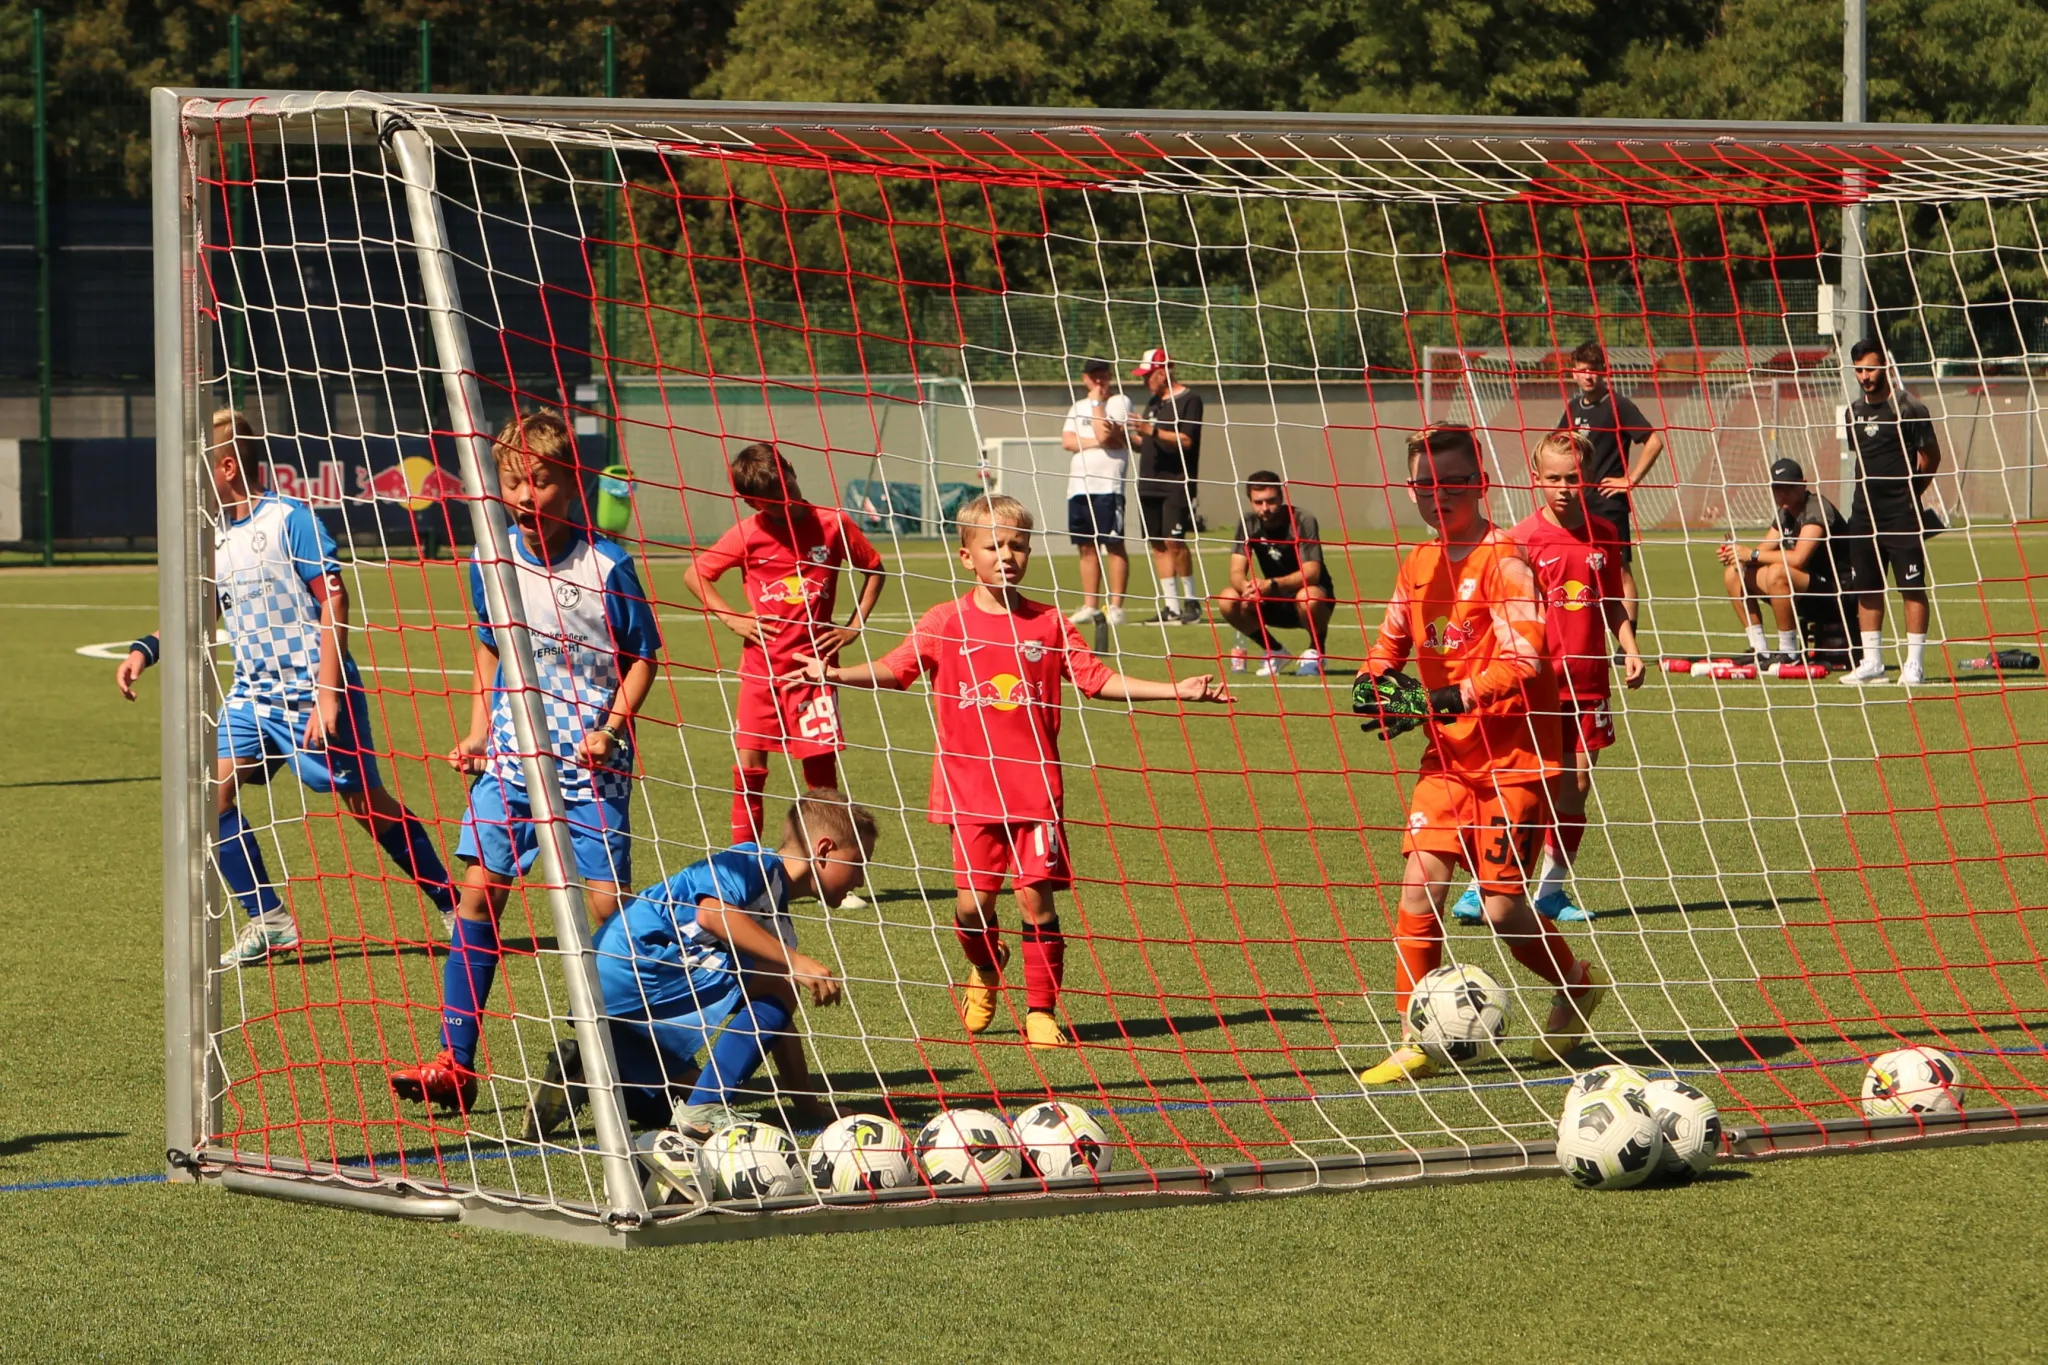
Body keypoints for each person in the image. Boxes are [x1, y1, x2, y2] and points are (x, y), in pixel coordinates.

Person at [785, 494, 1231, 1049]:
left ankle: (1041, 1011)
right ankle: (986, 966)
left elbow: (1096, 680)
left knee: (1035, 901)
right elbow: (895, 669)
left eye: (1017, 545)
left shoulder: (1048, 622)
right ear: (966, 556)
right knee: (973, 908)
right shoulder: (945, 621)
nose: (1006, 556)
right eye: (993, 546)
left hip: (1036, 792)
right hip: (969, 791)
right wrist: (834, 674)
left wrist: (1176, 689)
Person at [392, 410, 661, 1113]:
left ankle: (619, 1055)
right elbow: (489, 644)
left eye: (539, 481)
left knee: (606, 911)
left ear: (570, 484)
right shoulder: (492, 558)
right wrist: (478, 731)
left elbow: (643, 656)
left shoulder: (607, 565)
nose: (524, 496)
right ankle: (455, 1061)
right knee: (478, 895)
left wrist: (611, 729)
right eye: (513, 482)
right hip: (512, 761)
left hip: (590, 768)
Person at [115, 409, 453, 966]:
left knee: (366, 806)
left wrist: (327, 695)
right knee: (206, 795)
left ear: (227, 467)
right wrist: (145, 649)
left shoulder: (289, 519)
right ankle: (269, 918)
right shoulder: (214, 539)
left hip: (312, 694)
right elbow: (198, 614)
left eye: (198, 467)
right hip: (253, 697)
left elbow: (334, 600)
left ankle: (452, 904)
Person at [1350, 424, 1604, 1086]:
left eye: (1454, 482)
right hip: (1447, 760)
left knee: (1500, 908)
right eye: (1426, 484)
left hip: (1514, 760)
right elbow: (1389, 644)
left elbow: (1525, 659)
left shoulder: (1505, 558)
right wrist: (1372, 681)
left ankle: (1575, 982)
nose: (1440, 495)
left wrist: (1443, 697)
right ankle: (1413, 1036)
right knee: (1420, 885)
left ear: (1481, 483)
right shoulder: (1417, 563)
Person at [525, 788, 874, 1144]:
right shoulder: (752, 862)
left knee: (676, 1101)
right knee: (777, 985)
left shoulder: (777, 925)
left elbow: (779, 1023)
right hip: (635, 962)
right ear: (824, 850)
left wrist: (808, 1105)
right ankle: (705, 1106)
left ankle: (585, 1067)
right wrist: (794, 962)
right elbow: (712, 914)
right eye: (858, 863)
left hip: (618, 998)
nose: (860, 880)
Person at [1451, 430, 1643, 926]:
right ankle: (1481, 885)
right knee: (1526, 786)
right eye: (1553, 478)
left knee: (1576, 785)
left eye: (1573, 478)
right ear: (1537, 479)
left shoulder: (1605, 532)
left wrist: (1630, 648)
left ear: (1589, 478)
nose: (1563, 488)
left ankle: (1551, 892)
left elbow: (1612, 601)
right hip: (1534, 684)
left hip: (1589, 683)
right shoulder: (1521, 539)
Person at [681, 442, 886, 872]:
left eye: (787, 492)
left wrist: (854, 626)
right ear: (752, 503)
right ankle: (744, 868)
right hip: (761, 672)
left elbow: (874, 569)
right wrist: (732, 618)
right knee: (750, 772)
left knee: (821, 778)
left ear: (791, 470)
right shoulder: (747, 533)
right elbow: (696, 573)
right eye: (772, 504)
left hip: (815, 674)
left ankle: (830, 870)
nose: (785, 505)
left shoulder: (833, 524)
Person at [1837, 338, 1943, 685]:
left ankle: (1914, 664)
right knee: (1867, 587)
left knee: (1911, 586)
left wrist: (1910, 493)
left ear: (1884, 366)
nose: (1865, 377)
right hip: (1863, 514)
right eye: (1859, 371)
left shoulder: (1910, 408)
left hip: (1901, 514)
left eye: (1870, 368)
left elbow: (1931, 458)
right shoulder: (1852, 412)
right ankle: (1872, 662)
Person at [1559, 340, 1664, 628]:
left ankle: (1626, 644)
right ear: (1573, 373)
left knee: (1618, 571)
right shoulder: (1572, 408)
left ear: (1604, 371)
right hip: (1577, 505)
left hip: (1608, 504)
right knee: (1576, 566)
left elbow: (1654, 441)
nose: (1588, 376)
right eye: (1583, 370)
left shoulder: (1619, 405)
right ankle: (1581, 630)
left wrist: (1630, 480)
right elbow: (1558, 446)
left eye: (1594, 369)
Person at [1716, 456, 1849, 667]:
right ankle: (1760, 650)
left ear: (1803, 485)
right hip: (1804, 586)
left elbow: (1799, 558)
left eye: (1789, 487)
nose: (1782, 493)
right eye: (1777, 488)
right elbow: (1763, 550)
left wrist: (1751, 554)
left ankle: (1789, 652)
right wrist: (1736, 555)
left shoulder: (1816, 508)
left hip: (1837, 590)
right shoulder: (1785, 513)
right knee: (1735, 573)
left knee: (1778, 572)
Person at [1215, 471, 1335, 676]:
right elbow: (1236, 570)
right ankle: (1275, 651)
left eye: (1271, 501)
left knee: (1309, 596)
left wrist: (1271, 585)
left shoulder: (1302, 519)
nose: (1265, 508)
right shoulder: (1248, 523)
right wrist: (1247, 588)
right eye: (1258, 502)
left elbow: (1312, 573)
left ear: (1281, 497)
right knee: (1227, 599)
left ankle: (1316, 652)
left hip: (1308, 598)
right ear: (1250, 501)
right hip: (1271, 597)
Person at [1130, 348, 1205, 624]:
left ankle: (1191, 602)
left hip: (1175, 482)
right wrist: (1126, 435)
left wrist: (1151, 431)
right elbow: (1147, 444)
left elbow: (1186, 440)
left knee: (1175, 542)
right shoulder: (1154, 402)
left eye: (1147, 375)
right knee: (1157, 543)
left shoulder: (1190, 399)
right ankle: (1171, 607)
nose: (1144, 381)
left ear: (1162, 372)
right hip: (1148, 482)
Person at [1061, 359, 1134, 628]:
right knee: (1085, 546)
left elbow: (1107, 434)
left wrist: (1096, 404)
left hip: (1108, 487)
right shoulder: (1076, 406)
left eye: (1103, 375)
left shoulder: (1119, 402)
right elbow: (1067, 441)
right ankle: (1090, 605)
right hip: (1079, 488)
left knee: (1113, 544)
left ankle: (1115, 606)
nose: (1099, 381)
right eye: (1094, 377)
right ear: (1085, 379)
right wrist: (1096, 442)